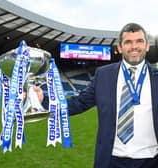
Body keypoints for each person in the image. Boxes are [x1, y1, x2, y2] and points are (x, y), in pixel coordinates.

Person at [34, 23, 158, 168]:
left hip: (151, 161)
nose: (134, 46)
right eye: (128, 42)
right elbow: (78, 103)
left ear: (147, 45)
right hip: (111, 160)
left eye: (139, 41)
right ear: (120, 47)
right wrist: (44, 100)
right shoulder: (103, 75)